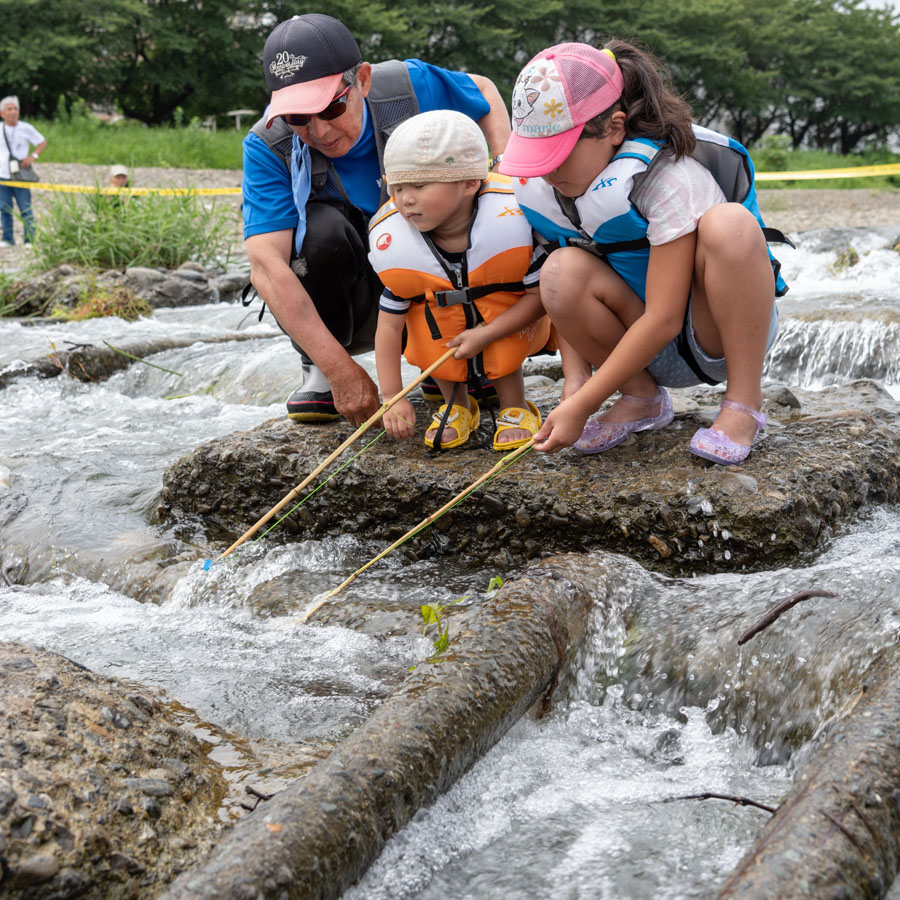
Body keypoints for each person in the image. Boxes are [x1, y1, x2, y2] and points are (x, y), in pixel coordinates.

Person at [497, 41, 788, 466]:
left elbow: (665, 318)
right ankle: (641, 398)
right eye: (538, 157)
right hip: (642, 353)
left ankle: (744, 403)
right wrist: (576, 382)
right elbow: (564, 293)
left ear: (615, 129)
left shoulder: (669, 179)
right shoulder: (545, 189)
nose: (547, 171)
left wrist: (584, 406)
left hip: (714, 339)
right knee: (558, 271)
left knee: (731, 224)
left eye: (558, 154)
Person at [242, 14, 511, 426]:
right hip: (353, 296)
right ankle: (316, 368)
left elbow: (486, 94)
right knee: (320, 235)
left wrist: (504, 179)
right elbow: (265, 266)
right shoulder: (267, 145)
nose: (319, 131)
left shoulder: (408, 87)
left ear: (362, 80)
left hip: (433, 272)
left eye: (330, 107)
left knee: (468, 208)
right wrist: (338, 370)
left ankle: (445, 360)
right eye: (298, 117)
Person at [369, 110, 551, 451]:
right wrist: (392, 396)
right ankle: (459, 406)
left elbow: (541, 296)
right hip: (443, 338)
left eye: (420, 185)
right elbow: (389, 327)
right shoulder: (400, 250)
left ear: (469, 183)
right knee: (432, 331)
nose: (405, 199)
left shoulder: (509, 231)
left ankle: (514, 405)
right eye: (397, 187)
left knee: (501, 341)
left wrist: (487, 334)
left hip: (502, 326)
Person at [0, 96, 46, 248]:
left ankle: (29, 240)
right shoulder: (0, 129)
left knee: (25, 208)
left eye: (15, 109)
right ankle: (7, 238)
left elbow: (42, 142)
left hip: (20, 175)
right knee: (5, 209)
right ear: (2, 113)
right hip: (3, 175)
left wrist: (33, 156)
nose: (13, 112)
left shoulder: (26, 128)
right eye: (9, 109)